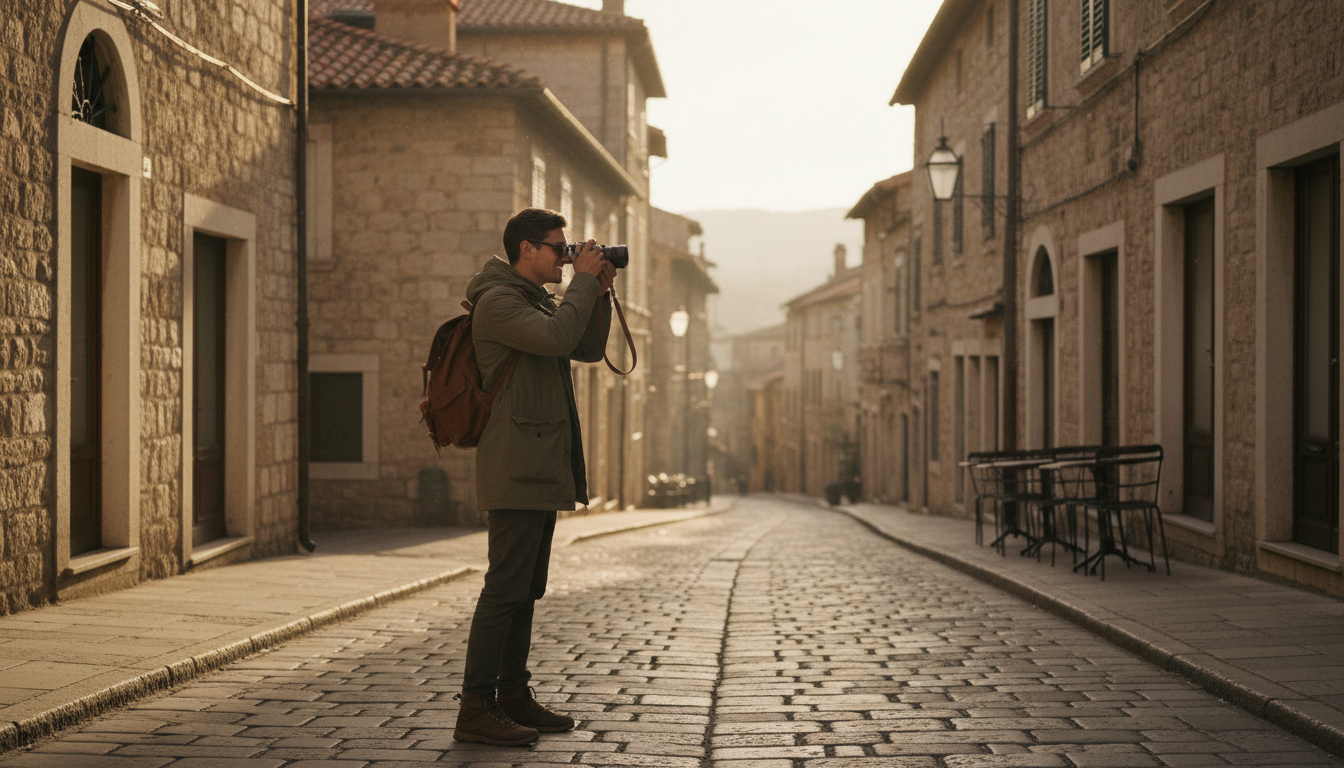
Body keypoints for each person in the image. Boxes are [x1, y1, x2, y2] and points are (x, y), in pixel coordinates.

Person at [453, 207, 616, 747]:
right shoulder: (499, 302)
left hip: (539, 461)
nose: (565, 257)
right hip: (517, 463)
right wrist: (584, 285)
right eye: (557, 248)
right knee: (504, 589)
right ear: (526, 249)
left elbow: (586, 347)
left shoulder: (536, 299)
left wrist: (601, 290)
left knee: (526, 590)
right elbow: (556, 338)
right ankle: (476, 706)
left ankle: (513, 696)